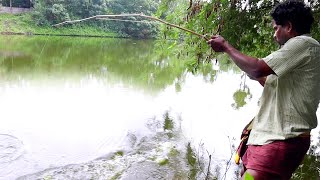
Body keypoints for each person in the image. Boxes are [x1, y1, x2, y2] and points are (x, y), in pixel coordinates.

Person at [208, 0, 320, 179]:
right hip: (268, 138)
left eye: (276, 28)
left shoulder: (303, 44)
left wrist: (226, 47)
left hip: (281, 139)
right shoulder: (301, 52)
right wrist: (240, 61)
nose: (274, 33)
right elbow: (264, 78)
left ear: (289, 26)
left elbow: (258, 68)